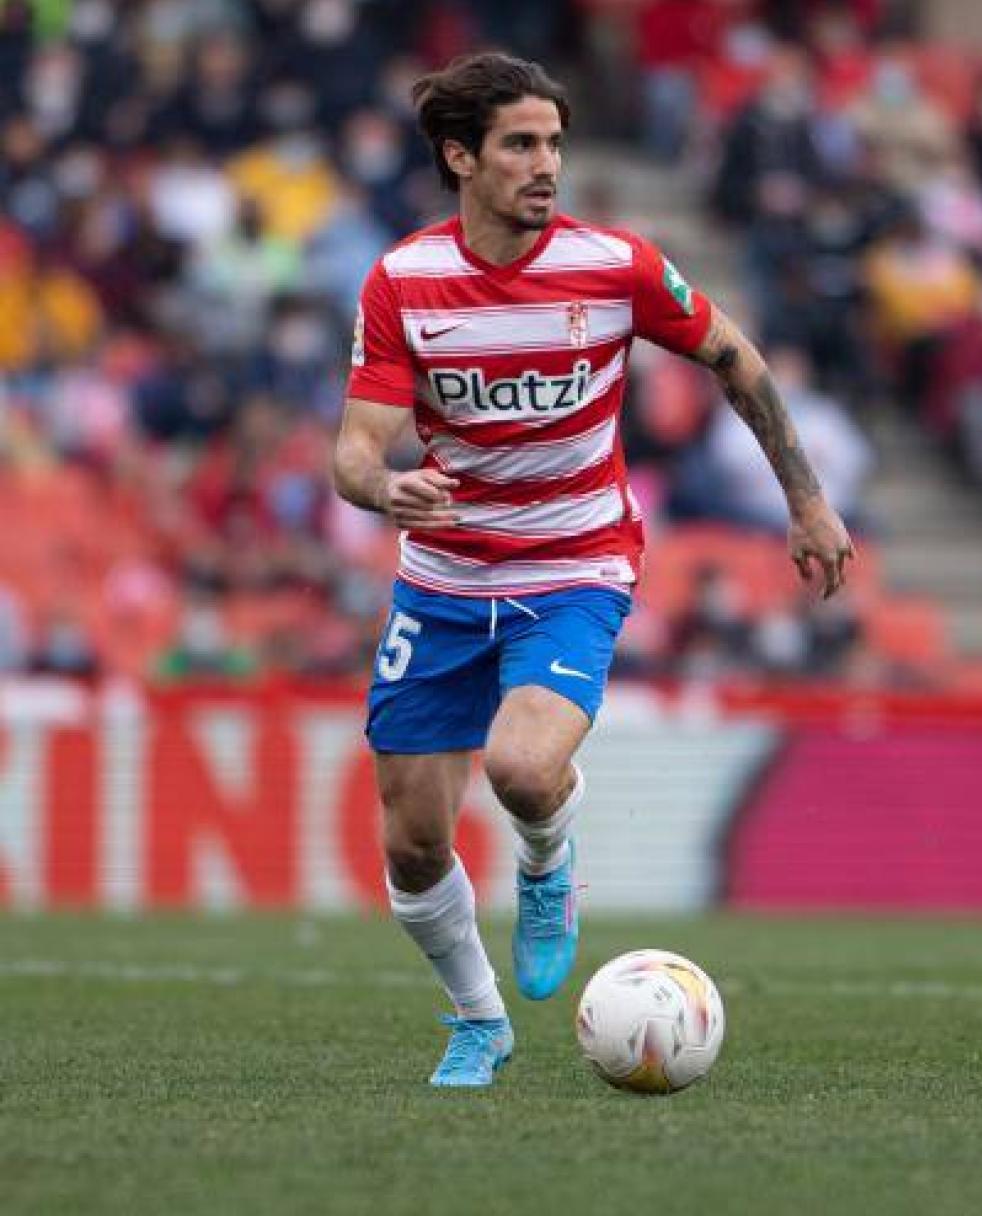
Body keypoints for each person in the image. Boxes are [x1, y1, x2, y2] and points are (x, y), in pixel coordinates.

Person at [330, 52, 853, 1087]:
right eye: (520, 144)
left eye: (554, 143)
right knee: (414, 843)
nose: (545, 165)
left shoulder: (614, 265)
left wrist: (805, 496)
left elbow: (734, 358)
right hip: (440, 579)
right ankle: (478, 1021)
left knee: (522, 769)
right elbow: (355, 447)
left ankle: (545, 859)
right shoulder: (404, 281)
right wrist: (384, 486)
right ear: (460, 156)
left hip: (575, 560)